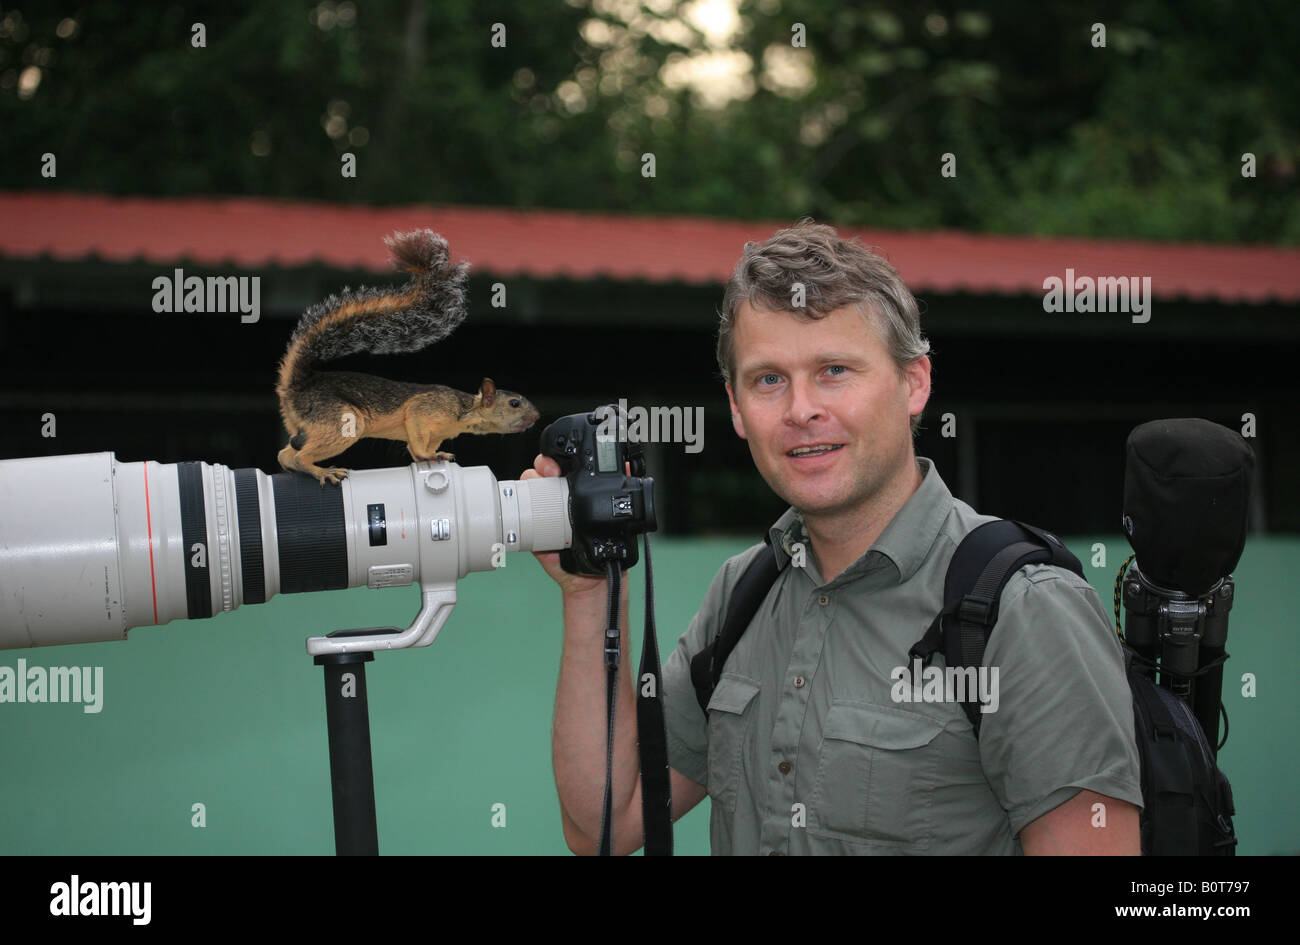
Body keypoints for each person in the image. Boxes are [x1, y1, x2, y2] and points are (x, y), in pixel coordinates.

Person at [525, 221, 1143, 855]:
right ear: (736, 409)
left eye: (834, 370)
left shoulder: (1021, 606)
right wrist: (591, 594)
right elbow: (606, 823)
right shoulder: (743, 594)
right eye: (768, 379)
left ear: (914, 383)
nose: (800, 410)